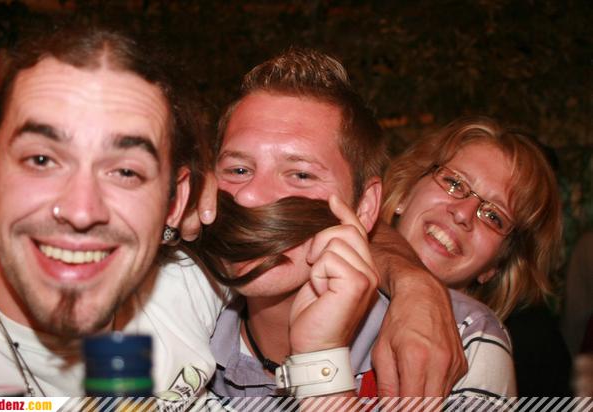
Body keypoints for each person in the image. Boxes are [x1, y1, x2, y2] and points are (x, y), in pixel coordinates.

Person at [0, 24, 467, 399]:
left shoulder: (191, 284)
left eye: (125, 171)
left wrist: (411, 286)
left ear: (179, 199)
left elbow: (324, 229)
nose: (82, 209)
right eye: (41, 160)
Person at [192, 49, 515, 400]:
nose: (249, 196)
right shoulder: (175, 309)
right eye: (239, 170)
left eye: (301, 174)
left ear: (365, 208)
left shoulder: (459, 347)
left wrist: (319, 362)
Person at [381, 116, 570, 394]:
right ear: (406, 192)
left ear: (494, 267)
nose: (463, 213)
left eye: (494, 216)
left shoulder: (482, 354)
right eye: (454, 182)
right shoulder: (324, 265)